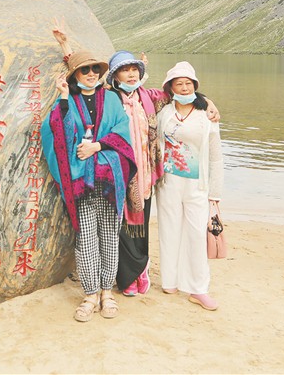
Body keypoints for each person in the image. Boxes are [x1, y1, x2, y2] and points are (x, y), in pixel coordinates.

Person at [51, 20, 220, 298]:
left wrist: (208, 102)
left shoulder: (150, 97)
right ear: (115, 76)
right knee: (120, 225)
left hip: (145, 172)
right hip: (118, 168)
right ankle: (125, 276)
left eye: (134, 70)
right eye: (124, 70)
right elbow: (83, 72)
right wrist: (65, 45)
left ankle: (140, 271)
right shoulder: (108, 97)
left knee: (140, 224)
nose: (131, 75)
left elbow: (181, 92)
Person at [40, 50, 137, 322]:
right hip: (81, 180)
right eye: (85, 70)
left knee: (109, 236)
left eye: (95, 68)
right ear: (75, 75)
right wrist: (62, 96)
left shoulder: (112, 99)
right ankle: (91, 293)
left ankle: (107, 292)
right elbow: (57, 131)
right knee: (86, 238)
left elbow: (122, 131)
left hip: (110, 179)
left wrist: (97, 146)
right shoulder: (68, 100)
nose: (92, 73)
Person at [156, 61, 224, 311]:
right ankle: (170, 281)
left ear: (195, 86)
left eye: (188, 83)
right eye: (179, 84)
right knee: (169, 229)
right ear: (170, 88)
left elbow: (216, 156)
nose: (184, 88)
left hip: (197, 184)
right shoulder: (164, 113)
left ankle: (199, 288)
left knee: (196, 233)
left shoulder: (206, 116)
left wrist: (215, 194)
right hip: (168, 182)